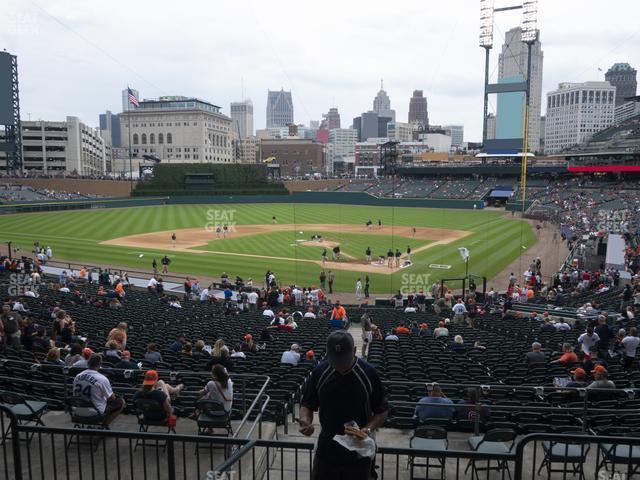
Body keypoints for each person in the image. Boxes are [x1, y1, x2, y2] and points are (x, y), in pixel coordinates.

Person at [299, 331, 388, 479]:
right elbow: (307, 403)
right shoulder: (319, 372)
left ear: (354, 351)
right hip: (327, 449)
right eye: (335, 361)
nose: (339, 366)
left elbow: (382, 410)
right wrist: (305, 420)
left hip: (359, 451)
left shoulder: (369, 373)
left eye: (343, 361)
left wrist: (367, 429)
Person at [72, 354, 124, 426]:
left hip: (77, 410)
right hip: (94, 412)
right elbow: (112, 398)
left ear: (88, 363)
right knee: (121, 402)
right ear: (100, 364)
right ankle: (104, 425)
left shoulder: (78, 376)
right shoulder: (102, 378)